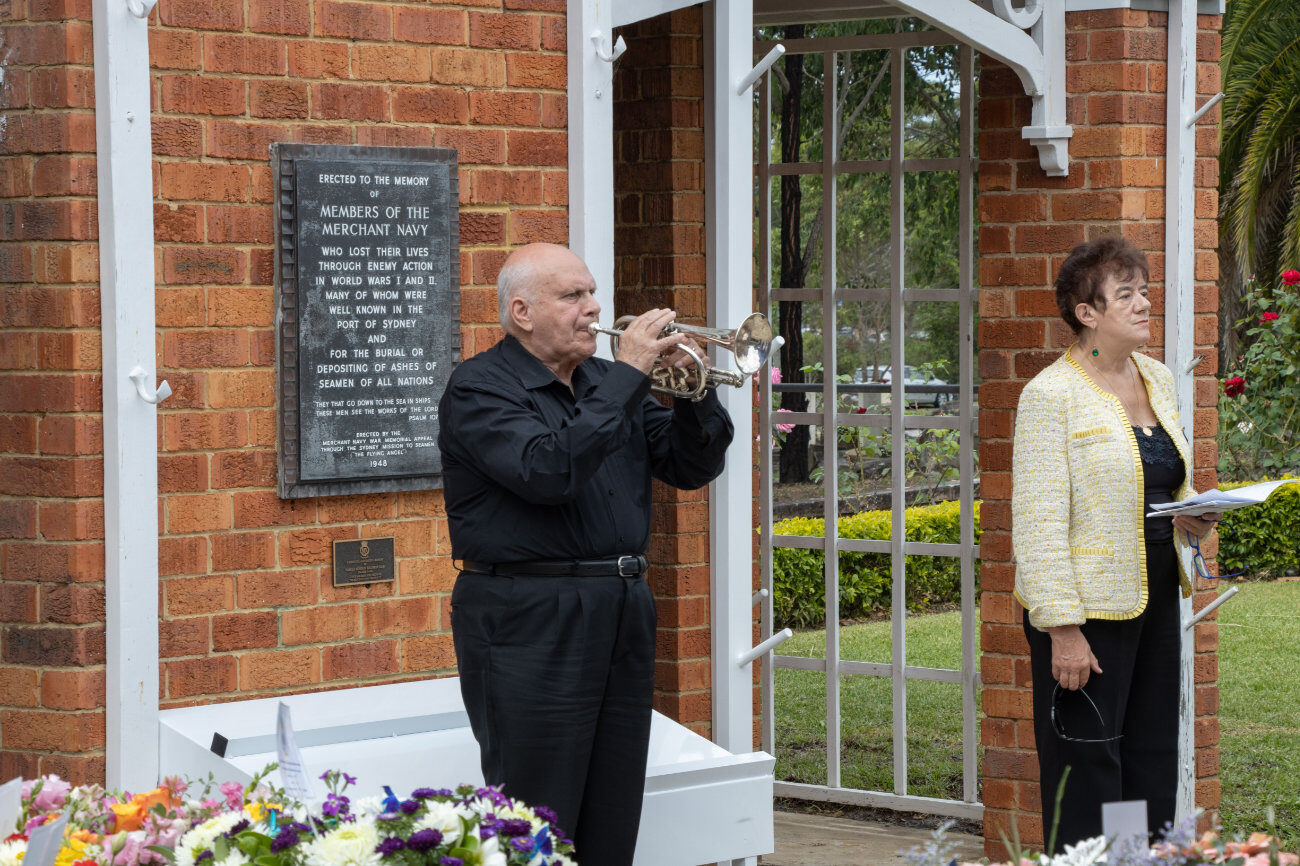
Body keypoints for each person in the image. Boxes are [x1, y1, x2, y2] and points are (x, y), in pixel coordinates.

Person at [437, 243, 734, 865]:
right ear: (522, 311)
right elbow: (549, 471)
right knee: (536, 811)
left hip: (620, 609)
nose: (594, 308)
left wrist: (694, 390)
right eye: (573, 296)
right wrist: (629, 375)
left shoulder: (604, 382)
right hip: (529, 615)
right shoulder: (479, 388)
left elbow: (690, 465)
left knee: (613, 806)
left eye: (591, 293)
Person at [1011, 236, 1219, 850]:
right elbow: (1038, 522)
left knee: (1150, 750)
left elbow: (1151, 482)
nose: (1144, 302)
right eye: (1125, 294)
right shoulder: (1050, 396)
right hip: (1086, 610)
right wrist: (1062, 628)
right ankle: (1088, 863)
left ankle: (1132, 862)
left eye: (1145, 290)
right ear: (1086, 312)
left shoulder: (1154, 377)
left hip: (1154, 590)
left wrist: (1192, 517)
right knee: (1089, 760)